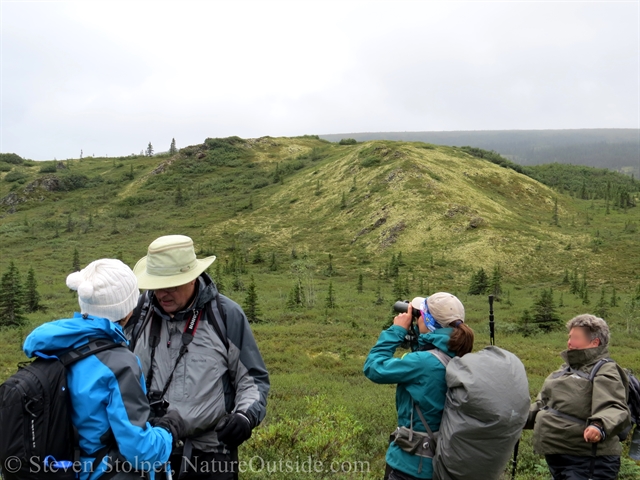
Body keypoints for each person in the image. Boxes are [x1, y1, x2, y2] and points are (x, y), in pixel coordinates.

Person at [22, 259, 186, 480]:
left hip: (60, 469)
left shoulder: (55, 346)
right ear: (127, 307)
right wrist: (168, 430)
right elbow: (140, 451)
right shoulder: (119, 363)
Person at [126, 235, 270, 480]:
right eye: (157, 284)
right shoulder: (138, 315)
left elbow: (253, 380)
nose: (162, 293)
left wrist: (244, 417)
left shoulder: (225, 315)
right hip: (148, 451)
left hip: (211, 455)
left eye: (171, 284)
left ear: (192, 278)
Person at [364, 292, 475, 480]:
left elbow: (374, 368)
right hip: (444, 462)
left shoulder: (422, 363)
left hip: (411, 466)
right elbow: (430, 361)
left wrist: (397, 330)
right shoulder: (460, 357)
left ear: (427, 321)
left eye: (420, 315)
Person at [525, 314, 630, 480]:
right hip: (559, 458)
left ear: (594, 343)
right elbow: (543, 406)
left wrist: (599, 426)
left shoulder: (605, 370)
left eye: (575, 337)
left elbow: (614, 407)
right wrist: (515, 417)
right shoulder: (563, 370)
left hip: (589, 462)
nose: (569, 342)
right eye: (569, 337)